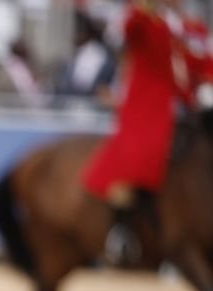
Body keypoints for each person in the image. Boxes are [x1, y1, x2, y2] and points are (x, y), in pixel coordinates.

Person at [81, 0, 189, 266]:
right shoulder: (141, 19)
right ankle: (121, 231)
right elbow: (129, 29)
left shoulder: (168, 25)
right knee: (134, 166)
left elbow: (175, 71)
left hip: (165, 107)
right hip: (142, 110)